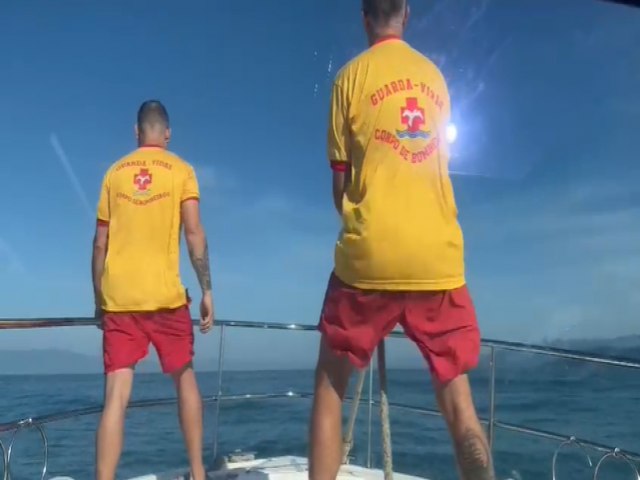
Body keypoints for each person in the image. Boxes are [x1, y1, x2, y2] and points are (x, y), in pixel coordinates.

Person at [307, 1, 496, 479]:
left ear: (364, 17)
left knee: (331, 384)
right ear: (406, 14)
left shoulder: (348, 79)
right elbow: (433, 169)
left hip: (368, 259)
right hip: (437, 257)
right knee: (459, 402)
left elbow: (340, 187)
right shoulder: (435, 80)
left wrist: (369, 230)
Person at [92, 100, 214, 480]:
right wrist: (207, 290)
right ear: (167, 134)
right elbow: (194, 234)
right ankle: (197, 473)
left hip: (121, 299)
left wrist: (100, 301)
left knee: (116, 397)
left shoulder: (113, 173)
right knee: (185, 378)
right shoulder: (182, 170)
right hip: (165, 298)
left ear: (136, 132)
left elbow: (100, 243)